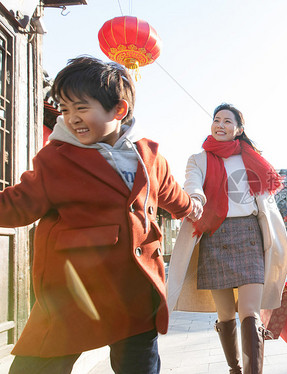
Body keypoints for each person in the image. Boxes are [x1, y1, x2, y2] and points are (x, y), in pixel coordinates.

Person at [2, 56, 202, 374]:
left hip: (135, 289)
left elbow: (173, 196)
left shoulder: (150, 159)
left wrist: (192, 208)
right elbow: (16, 205)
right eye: (65, 110)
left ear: (118, 110)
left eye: (81, 108)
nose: (71, 119)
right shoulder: (55, 160)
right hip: (73, 290)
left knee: (140, 365)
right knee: (37, 365)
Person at [166, 103, 287, 374]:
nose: (220, 125)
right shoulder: (197, 159)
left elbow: (266, 199)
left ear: (239, 129)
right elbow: (192, 183)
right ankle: (235, 368)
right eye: (216, 120)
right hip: (214, 235)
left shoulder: (251, 158)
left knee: (250, 313)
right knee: (225, 314)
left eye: (227, 121)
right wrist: (196, 198)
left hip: (249, 236)